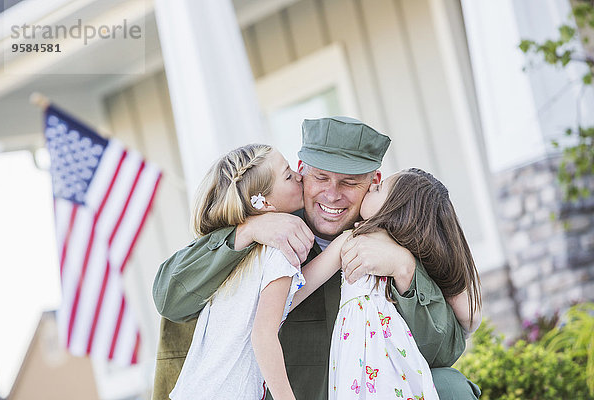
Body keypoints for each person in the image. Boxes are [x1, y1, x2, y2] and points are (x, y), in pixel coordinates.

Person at [152, 116, 481, 400]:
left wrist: (404, 269)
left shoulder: (394, 241)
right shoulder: (261, 234)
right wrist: (248, 231)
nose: (332, 194)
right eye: (321, 177)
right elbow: (170, 297)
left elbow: (444, 352)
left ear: (374, 183)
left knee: (449, 388)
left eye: (349, 182)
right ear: (301, 172)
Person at [293, 168, 482, 399]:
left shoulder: (408, 257)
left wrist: (405, 265)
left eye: (379, 188)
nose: (371, 187)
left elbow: (471, 316)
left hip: (395, 371)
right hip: (358, 374)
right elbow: (297, 290)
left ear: (397, 209)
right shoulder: (352, 242)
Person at [170, 144, 307, 399]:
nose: (300, 176)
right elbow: (263, 335)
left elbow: (293, 295)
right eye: (288, 176)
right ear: (263, 202)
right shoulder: (279, 248)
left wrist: (344, 244)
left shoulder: (237, 257)